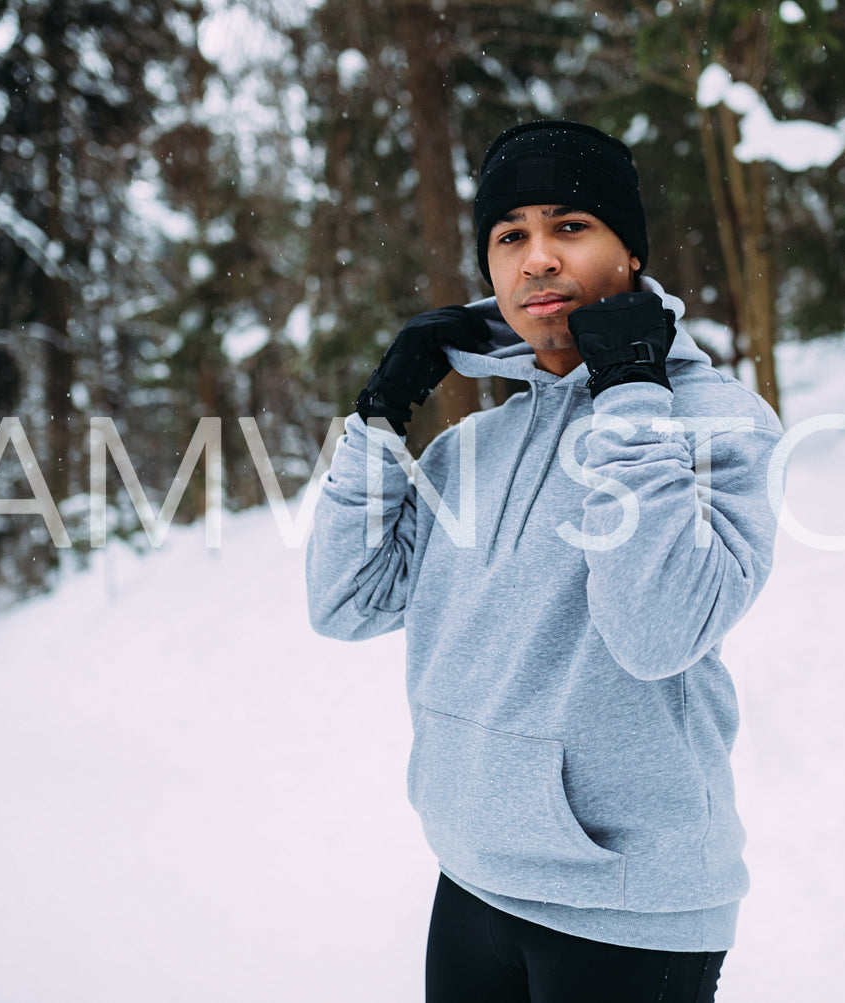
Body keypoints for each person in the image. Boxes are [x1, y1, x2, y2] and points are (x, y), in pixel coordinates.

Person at [306, 120, 784, 1003]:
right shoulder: (470, 446)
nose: (536, 259)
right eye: (509, 235)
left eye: (570, 226)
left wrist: (633, 392)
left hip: (630, 911)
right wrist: (379, 416)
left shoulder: (719, 425)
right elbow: (346, 600)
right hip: (472, 878)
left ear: (630, 254)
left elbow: (655, 630)